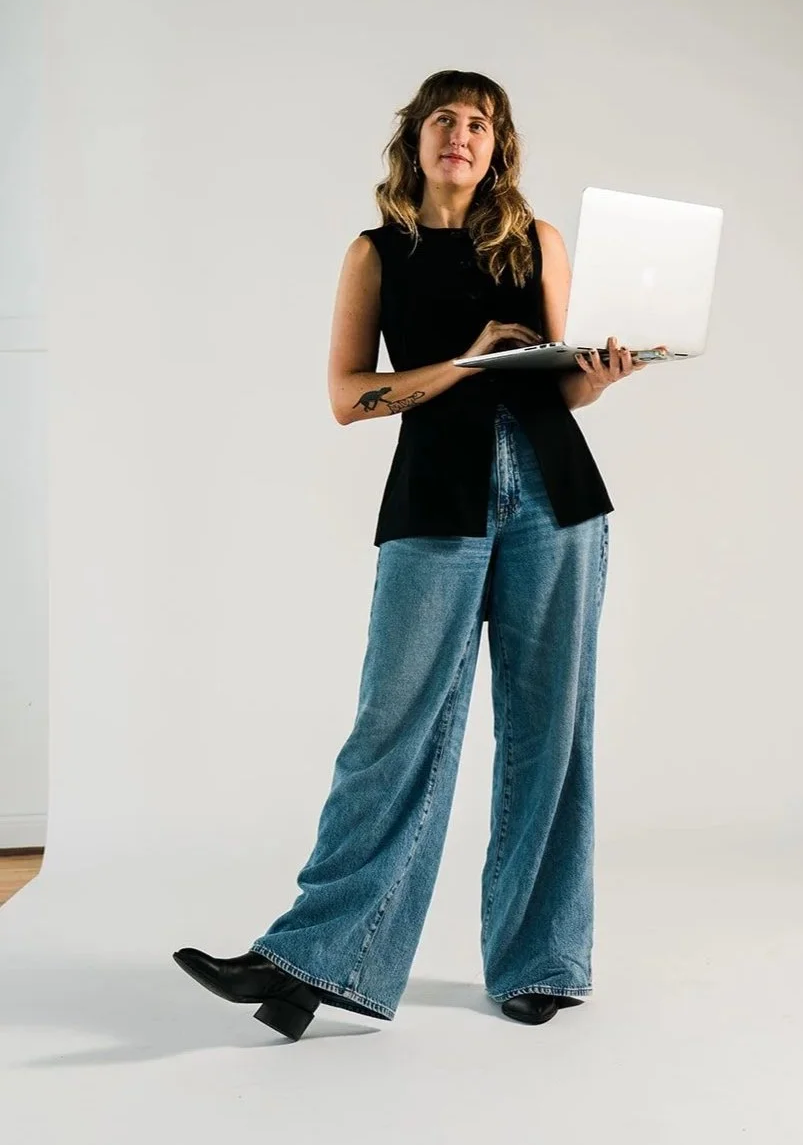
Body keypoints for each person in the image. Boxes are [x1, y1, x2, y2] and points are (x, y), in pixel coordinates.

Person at [173, 70, 654, 1041]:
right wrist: (467, 359)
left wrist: (599, 376)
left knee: (546, 733)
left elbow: (561, 388)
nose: (461, 134)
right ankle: (309, 960)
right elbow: (348, 395)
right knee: (391, 728)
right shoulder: (374, 253)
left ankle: (539, 960)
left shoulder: (538, 241)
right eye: (445, 117)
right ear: (417, 136)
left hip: (555, 503)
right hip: (433, 505)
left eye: (480, 122)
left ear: (497, 144)